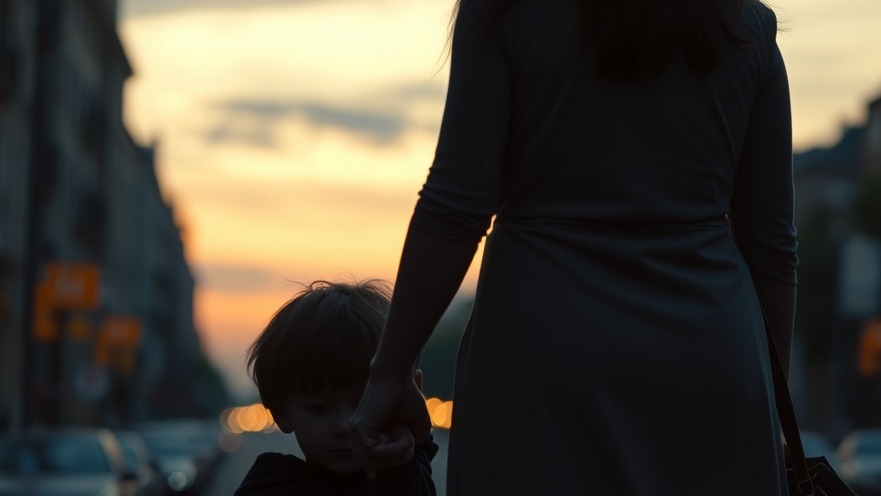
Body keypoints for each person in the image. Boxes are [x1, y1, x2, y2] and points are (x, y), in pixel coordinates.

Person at [350, 0, 798, 494]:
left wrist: (390, 371)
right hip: (712, 356)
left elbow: (455, 209)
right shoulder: (745, 26)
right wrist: (770, 402)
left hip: (544, 352)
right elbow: (771, 246)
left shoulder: (504, 13)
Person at [234, 280, 438, 496]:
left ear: (410, 396)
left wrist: (401, 466)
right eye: (320, 408)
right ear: (280, 412)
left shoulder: (409, 471)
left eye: (363, 403)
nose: (344, 426)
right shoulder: (268, 487)